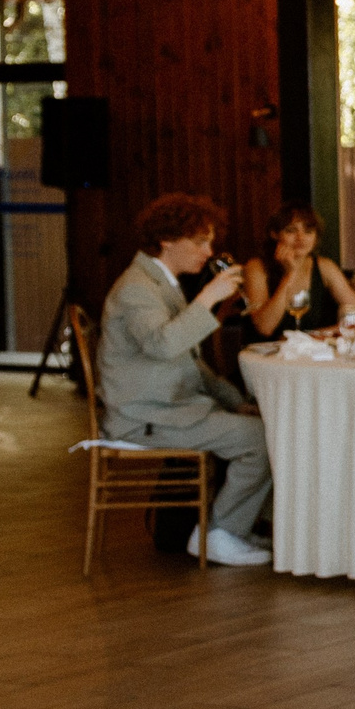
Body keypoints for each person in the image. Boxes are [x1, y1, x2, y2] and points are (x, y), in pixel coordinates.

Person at [97, 194, 273, 568]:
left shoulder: (164, 284)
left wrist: (233, 400)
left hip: (168, 408)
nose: (208, 252)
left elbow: (193, 363)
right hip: (144, 417)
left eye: (210, 241)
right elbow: (163, 346)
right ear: (167, 240)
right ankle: (221, 534)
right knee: (260, 439)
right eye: (199, 241)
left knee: (264, 424)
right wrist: (208, 298)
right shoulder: (136, 288)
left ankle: (232, 528)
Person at [241, 204, 355, 336]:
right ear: (274, 234)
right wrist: (289, 276)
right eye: (291, 230)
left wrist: (311, 336)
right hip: (263, 353)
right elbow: (265, 327)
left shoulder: (324, 266)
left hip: (309, 352)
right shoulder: (256, 267)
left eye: (308, 232)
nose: (300, 238)